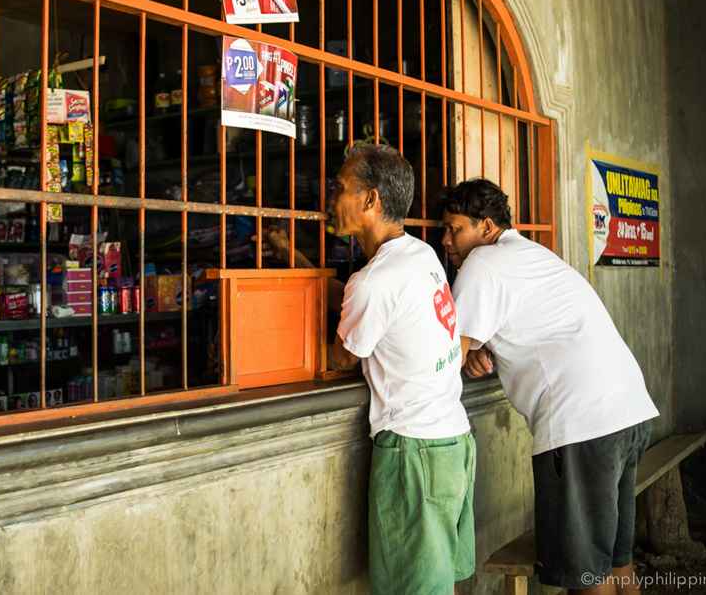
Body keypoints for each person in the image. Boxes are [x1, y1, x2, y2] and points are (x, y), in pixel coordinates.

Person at [440, 178, 659, 595]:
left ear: (486, 228)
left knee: (585, 576)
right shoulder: (528, 254)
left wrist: (463, 351)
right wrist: (479, 350)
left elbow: (446, 354)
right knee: (616, 565)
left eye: (455, 228)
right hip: (628, 412)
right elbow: (501, 331)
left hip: (583, 426)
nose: (447, 240)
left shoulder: (482, 263)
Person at [280, 143, 475, 594]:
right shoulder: (421, 256)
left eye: (341, 188)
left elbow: (342, 356)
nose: (331, 198)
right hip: (453, 441)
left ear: (370, 200)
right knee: (438, 579)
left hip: (413, 452)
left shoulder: (374, 281)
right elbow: (364, 305)